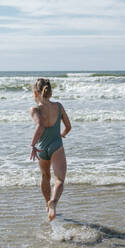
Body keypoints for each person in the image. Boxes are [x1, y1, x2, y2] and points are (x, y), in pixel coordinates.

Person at [29, 78, 71, 221]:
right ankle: (53, 202)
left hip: (41, 148)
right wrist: (62, 135)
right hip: (56, 146)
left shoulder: (35, 109)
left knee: (45, 177)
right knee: (59, 179)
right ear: (50, 92)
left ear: (36, 93)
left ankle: (47, 207)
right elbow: (68, 127)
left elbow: (40, 126)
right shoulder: (58, 106)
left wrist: (32, 145)